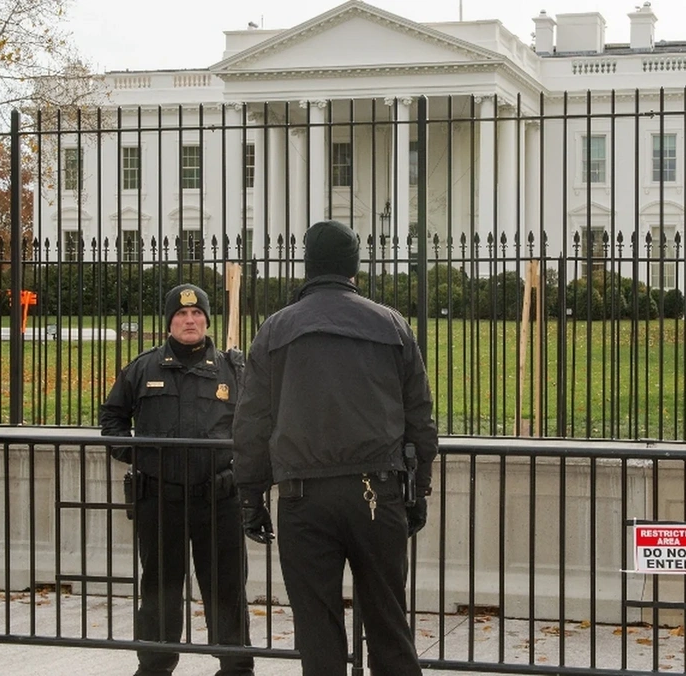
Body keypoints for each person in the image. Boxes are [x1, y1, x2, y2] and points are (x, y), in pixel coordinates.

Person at [232, 219, 439, 676]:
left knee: (317, 632)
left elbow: (252, 423)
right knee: (388, 624)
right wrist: (419, 487)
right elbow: (419, 416)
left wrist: (251, 496)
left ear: (307, 266)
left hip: (303, 496)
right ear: (353, 267)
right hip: (377, 491)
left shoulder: (275, 329)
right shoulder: (390, 324)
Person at [100, 283, 253, 676]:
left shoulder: (233, 370)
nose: (190, 320)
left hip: (219, 500)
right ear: (169, 322)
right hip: (160, 499)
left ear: (207, 320)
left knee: (226, 590)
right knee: (159, 590)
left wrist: (240, 469)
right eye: (181, 314)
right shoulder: (143, 368)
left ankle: (236, 669)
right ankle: (155, 666)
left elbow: (256, 427)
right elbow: (112, 419)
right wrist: (139, 455)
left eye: (197, 313)